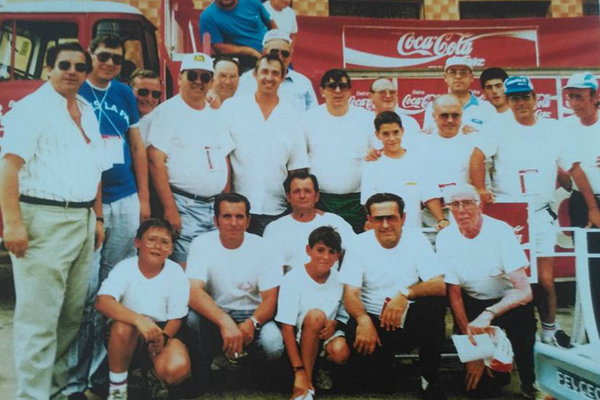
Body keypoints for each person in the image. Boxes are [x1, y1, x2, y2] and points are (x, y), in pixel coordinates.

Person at [0, 42, 107, 400]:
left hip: (82, 219)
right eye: (64, 64)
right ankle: (31, 396)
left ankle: (57, 393)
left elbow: (96, 167)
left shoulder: (87, 110)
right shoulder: (31, 110)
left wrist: (98, 217)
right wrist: (12, 223)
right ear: (48, 68)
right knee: (38, 320)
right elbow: (8, 168)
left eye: (80, 66)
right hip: (42, 219)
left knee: (68, 318)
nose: (72, 72)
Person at [65, 34, 150, 400]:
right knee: (85, 294)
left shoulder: (124, 94)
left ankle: (103, 374)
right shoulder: (76, 92)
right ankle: (73, 378)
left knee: (115, 290)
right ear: (90, 56)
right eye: (103, 56)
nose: (110, 63)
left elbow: (136, 146)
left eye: (116, 58)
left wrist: (144, 200)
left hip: (126, 197)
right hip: (89, 203)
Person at [470, 76, 576, 348]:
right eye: (514, 98)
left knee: (545, 280)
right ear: (508, 101)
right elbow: (477, 156)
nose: (520, 103)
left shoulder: (551, 129)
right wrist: (481, 189)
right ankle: (507, 337)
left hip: (540, 212)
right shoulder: (497, 127)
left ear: (535, 99)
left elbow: (566, 167)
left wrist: (574, 184)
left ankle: (549, 332)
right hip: (509, 214)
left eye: (525, 97)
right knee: (508, 280)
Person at [338, 193, 447, 399]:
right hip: (373, 323)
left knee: (434, 305)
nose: (386, 225)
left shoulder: (416, 240)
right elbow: (350, 293)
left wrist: (406, 294)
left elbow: (440, 284)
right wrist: (363, 320)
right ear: (369, 220)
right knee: (379, 386)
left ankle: (430, 380)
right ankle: (385, 365)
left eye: (391, 217)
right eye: (379, 218)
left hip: (407, 319)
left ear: (403, 218)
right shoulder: (358, 244)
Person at [436, 185, 538, 399]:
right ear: (449, 209)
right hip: (473, 303)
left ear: (480, 205)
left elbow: (524, 291)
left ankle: (530, 382)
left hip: (507, 302)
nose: (462, 210)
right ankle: (494, 366)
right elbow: (454, 294)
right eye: (455, 204)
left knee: (523, 320)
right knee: (481, 388)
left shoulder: (500, 231)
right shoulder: (445, 237)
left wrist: (489, 314)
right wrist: (475, 351)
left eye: (468, 203)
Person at [186, 193, 284, 382]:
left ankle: (250, 371)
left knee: (273, 344)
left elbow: (271, 299)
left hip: (254, 315)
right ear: (216, 220)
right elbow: (193, 291)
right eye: (227, 216)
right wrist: (225, 322)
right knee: (192, 320)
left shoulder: (265, 247)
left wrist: (252, 323)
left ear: (248, 221)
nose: (233, 222)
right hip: (217, 314)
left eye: (239, 217)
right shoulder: (202, 244)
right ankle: (206, 367)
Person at [148, 53, 233, 267]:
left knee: (212, 268)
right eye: (192, 75)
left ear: (211, 82)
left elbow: (225, 158)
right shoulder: (167, 112)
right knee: (186, 270)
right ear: (179, 78)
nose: (198, 81)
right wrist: (170, 209)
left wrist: (226, 202)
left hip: (214, 207)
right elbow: (155, 161)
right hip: (183, 205)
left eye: (205, 77)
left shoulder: (216, 114)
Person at [96, 219, 191, 400]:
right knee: (124, 327)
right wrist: (139, 320)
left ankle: (150, 378)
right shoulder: (125, 268)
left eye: (164, 242)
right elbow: (102, 301)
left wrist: (162, 338)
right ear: (137, 242)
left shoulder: (176, 272)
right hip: (127, 333)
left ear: (171, 249)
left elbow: (176, 317)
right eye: (151, 239)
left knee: (176, 368)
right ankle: (118, 390)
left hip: (162, 331)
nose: (157, 246)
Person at [224, 54, 309, 236]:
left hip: (277, 210)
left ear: (282, 77)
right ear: (255, 74)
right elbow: (223, 158)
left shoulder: (292, 115)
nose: (269, 78)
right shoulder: (232, 109)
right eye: (264, 72)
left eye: (274, 73)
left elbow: (297, 167)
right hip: (238, 210)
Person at [276, 226, 350, 400]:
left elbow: (342, 314)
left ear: (337, 255)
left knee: (340, 352)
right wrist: (298, 370)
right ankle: (305, 382)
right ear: (308, 250)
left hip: (325, 335)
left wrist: (335, 324)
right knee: (316, 316)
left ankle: (320, 368)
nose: (325, 257)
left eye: (331, 252)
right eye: (320, 250)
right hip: (299, 336)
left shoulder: (340, 279)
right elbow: (286, 327)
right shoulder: (293, 278)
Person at [304, 69, 374, 233]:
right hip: (321, 201)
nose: (337, 91)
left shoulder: (366, 118)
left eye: (342, 86)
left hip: (357, 202)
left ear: (350, 91)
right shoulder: (308, 119)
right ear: (322, 91)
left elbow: (376, 157)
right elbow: (300, 160)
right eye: (331, 86)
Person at [361, 111, 447, 231]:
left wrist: (441, 219)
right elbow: (368, 203)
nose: (392, 138)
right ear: (377, 135)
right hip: (384, 234)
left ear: (402, 131)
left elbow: (430, 195)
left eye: (396, 132)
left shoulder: (418, 162)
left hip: (413, 232)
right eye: (386, 134)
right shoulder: (371, 166)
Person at [560, 72, 600, 317]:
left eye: (579, 97)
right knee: (590, 267)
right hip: (584, 203)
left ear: (595, 96)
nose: (574, 103)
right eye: (570, 97)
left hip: (591, 204)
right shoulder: (565, 127)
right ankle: (593, 328)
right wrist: (593, 208)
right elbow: (574, 170)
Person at [263, 171, 355, 271]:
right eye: (296, 191)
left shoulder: (335, 222)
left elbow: (356, 255)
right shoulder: (274, 229)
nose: (302, 196)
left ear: (316, 196)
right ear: (288, 197)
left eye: (307, 191)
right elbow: (269, 270)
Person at [237, 30, 317, 112]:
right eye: (274, 52)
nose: (280, 57)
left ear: (290, 56)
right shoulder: (245, 80)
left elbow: (313, 116)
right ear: (263, 52)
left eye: (285, 53)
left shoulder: (302, 82)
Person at [199, 0, 277, 72]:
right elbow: (219, 48)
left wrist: (274, 45)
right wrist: (250, 52)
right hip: (244, 60)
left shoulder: (252, 2)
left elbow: (271, 24)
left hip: (271, 50)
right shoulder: (207, 16)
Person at [423, 56, 495, 133]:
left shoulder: (486, 108)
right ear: (445, 77)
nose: (458, 76)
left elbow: (492, 140)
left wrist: (476, 134)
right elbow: (428, 139)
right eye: (452, 72)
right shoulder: (433, 106)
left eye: (463, 72)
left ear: (471, 77)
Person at [368, 77, 422, 149]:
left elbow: (416, 151)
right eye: (382, 92)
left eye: (392, 92)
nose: (388, 95)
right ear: (371, 96)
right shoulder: (363, 123)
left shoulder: (410, 123)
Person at [128, 68, 162, 144]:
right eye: (143, 92)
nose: (149, 98)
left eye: (155, 94)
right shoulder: (116, 116)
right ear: (129, 91)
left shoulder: (164, 120)